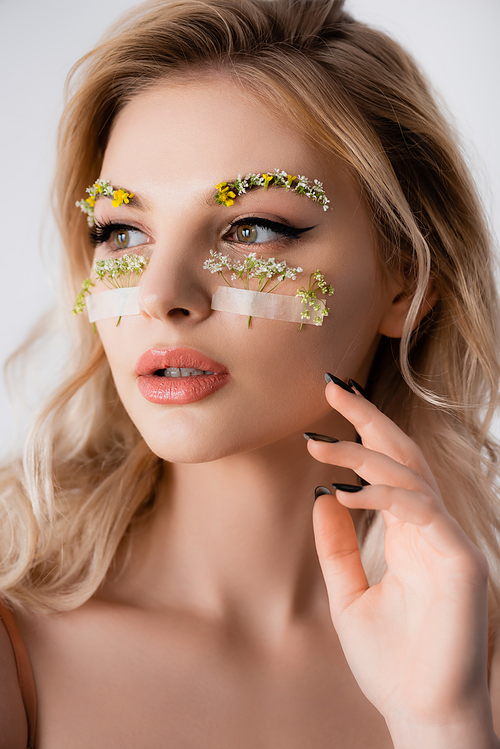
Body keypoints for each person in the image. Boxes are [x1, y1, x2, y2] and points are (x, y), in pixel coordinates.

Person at [1, 0, 500, 745]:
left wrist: (442, 722)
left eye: (253, 228)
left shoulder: (474, 672)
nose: (160, 294)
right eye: (122, 231)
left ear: (406, 276)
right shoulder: (18, 650)